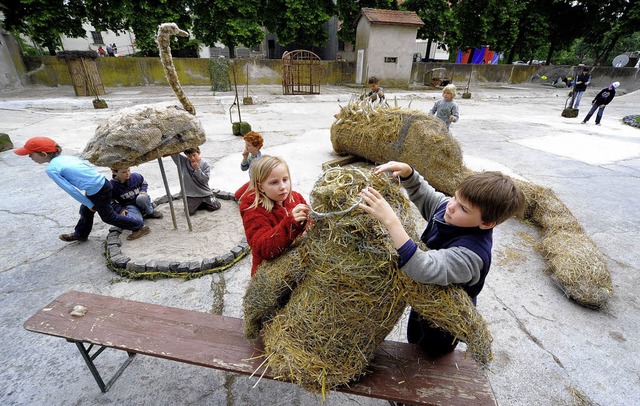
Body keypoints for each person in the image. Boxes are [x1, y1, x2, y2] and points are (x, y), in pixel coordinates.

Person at [359, 161, 524, 356]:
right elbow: (427, 196)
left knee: (430, 350)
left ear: (487, 224)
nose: (451, 206)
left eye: (463, 208)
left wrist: (391, 221)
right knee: (414, 334)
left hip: (445, 318)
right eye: (455, 196)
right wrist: (409, 174)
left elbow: (423, 268)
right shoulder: (449, 210)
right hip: (426, 297)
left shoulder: (471, 255)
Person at [14, 137, 150, 242]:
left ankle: (139, 226)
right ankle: (81, 234)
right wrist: (88, 204)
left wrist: (90, 203)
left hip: (98, 190)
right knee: (85, 210)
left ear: (43, 154)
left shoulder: (51, 169)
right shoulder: (67, 158)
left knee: (108, 217)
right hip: (101, 183)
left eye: (31, 154)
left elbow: (70, 190)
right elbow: (87, 168)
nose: (29, 157)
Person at [238, 156, 310, 276]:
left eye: (285, 179)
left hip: (297, 263)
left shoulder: (295, 198)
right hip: (269, 274)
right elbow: (262, 248)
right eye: (274, 182)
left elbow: (310, 222)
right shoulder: (253, 209)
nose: (282, 186)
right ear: (261, 186)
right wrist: (290, 224)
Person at [171, 147, 221, 215]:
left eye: (194, 155)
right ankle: (198, 203)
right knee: (189, 212)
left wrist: (197, 169)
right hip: (191, 194)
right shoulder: (183, 161)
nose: (192, 158)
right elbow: (173, 152)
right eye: (189, 156)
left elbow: (204, 180)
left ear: (199, 152)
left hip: (204, 192)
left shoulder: (205, 164)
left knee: (216, 206)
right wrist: (182, 148)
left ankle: (200, 202)